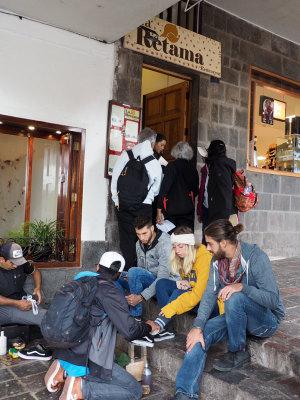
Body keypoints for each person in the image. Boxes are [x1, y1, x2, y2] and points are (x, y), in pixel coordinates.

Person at [174, 219, 285, 399]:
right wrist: (197, 326)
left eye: (209, 243)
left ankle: (238, 351)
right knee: (199, 336)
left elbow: (272, 300)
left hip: (266, 319)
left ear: (223, 243)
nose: (207, 248)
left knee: (235, 297)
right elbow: (210, 294)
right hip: (236, 316)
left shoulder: (255, 257)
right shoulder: (216, 261)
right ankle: (184, 392)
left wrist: (243, 287)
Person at [44, 251, 158, 400]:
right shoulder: (111, 292)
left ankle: (64, 370)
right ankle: (80, 388)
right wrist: (149, 326)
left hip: (66, 347)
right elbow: (131, 331)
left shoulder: (81, 279)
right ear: (119, 275)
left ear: (98, 267)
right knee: (134, 391)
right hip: (88, 356)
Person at [150, 226, 221, 342]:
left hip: (210, 303)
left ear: (189, 245)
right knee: (161, 284)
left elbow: (199, 293)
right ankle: (167, 328)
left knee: (178, 293)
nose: (177, 250)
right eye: (175, 247)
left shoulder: (204, 259)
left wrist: (169, 309)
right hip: (194, 294)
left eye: (180, 246)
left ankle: (160, 322)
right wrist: (187, 283)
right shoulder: (182, 257)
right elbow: (192, 283)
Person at [111, 127, 162, 270]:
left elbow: (115, 180)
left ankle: (128, 272)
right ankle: (143, 273)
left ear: (138, 140)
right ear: (152, 143)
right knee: (144, 239)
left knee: (127, 241)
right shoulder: (154, 162)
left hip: (123, 205)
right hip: (144, 206)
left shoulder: (125, 155)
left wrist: (117, 201)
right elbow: (156, 188)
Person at [115, 216, 173, 326]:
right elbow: (141, 269)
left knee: (133, 272)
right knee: (114, 275)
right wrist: (132, 278)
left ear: (152, 228)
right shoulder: (139, 244)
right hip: (148, 279)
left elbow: (163, 278)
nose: (141, 238)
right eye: (138, 234)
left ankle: (136, 317)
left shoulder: (165, 244)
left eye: (144, 233)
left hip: (162, 283)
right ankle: (124, 309)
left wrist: (141, 297)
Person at [0, 242, 50, 360]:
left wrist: (37, 288)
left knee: (43, 313)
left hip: (19, 300)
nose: (16, 266)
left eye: (18, 262)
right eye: (12, 263)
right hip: (4, 307)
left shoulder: (20, 264)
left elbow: (36, 272)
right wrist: (17, 304)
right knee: (43, 316)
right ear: (1, 259)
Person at [157, 141, 199, 231]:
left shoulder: (171, 166)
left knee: (172, 239)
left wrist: (159, 210)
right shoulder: (193, 169)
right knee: (186, 238)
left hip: (172, 210)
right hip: (188, 210)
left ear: (175, 152)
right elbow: (195, 190)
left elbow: (164, 189)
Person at [205, 140, 237, 225]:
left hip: (221, 210)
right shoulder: (223, 163)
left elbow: (225, 186)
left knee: (220, 236)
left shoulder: (219, 164)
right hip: (226, 208)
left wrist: (226, 212)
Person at [196, 146, 209, 244]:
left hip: (213, 210)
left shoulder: (215, 169)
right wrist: (199, 211)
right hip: (205, 208)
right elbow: (202, 191)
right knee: (205, 236)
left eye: (203, 156)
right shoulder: (204, 170)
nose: (202, 158)